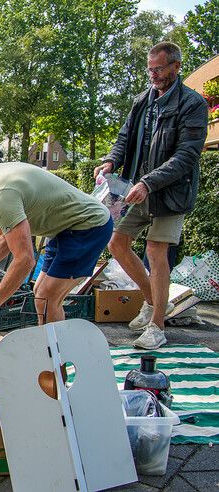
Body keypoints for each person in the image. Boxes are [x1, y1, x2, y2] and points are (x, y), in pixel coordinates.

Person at [94, 42, 208, 350]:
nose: (153, 75)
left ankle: (158, 325)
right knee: (116, 242)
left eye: (158, 69)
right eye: (150, 69)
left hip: (170, 193)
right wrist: (110, 161)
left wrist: (149, 182)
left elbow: (187, 155)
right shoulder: (142, 101)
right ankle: (152, 299)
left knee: (157, 252)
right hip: (136, 189)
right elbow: (124, 137)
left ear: (176, 67)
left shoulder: (192, 104)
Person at [0, 163, 112, 329]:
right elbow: (4, 238)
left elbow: (25, 260)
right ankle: (49, 351)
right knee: (41, 295)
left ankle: (57, 359)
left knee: (48, 297)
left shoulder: (0, 196)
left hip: (89, 225)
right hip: (64, 229)